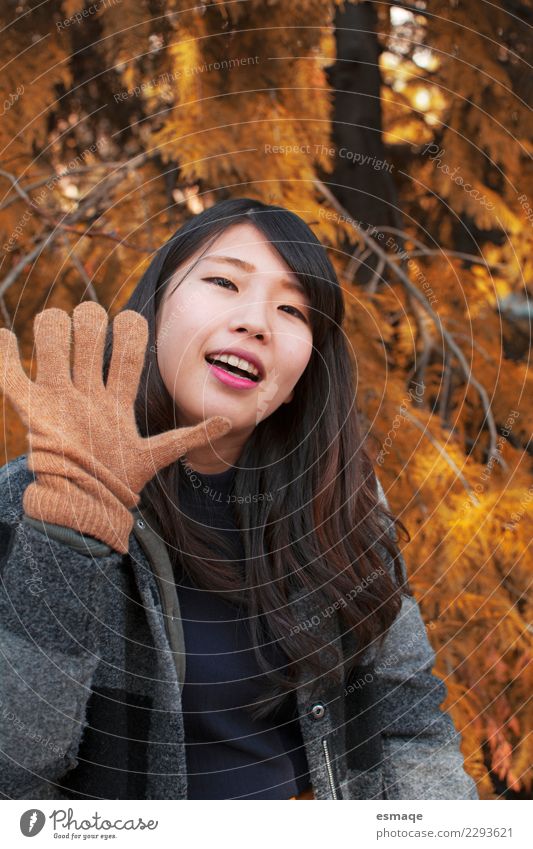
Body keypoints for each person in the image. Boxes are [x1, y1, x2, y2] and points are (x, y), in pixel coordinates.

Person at [0, 197, 478, 800]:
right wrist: (70, 533)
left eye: (292, 309)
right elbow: (12, 778)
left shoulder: (340, 508)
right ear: (155, 305)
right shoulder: (31, 501)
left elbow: (411, 729)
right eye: (224, 281)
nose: (257, 321)